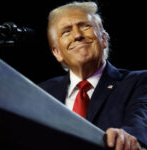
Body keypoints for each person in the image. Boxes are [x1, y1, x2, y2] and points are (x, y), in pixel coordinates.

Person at [40, 1, 147, 149]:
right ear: (57, 53)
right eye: (66, 31)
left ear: (103, 39)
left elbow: (141, 119)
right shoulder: (43, 92)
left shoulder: (138, 82)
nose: (77, 35)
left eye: (85, 26)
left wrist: (127, 137)